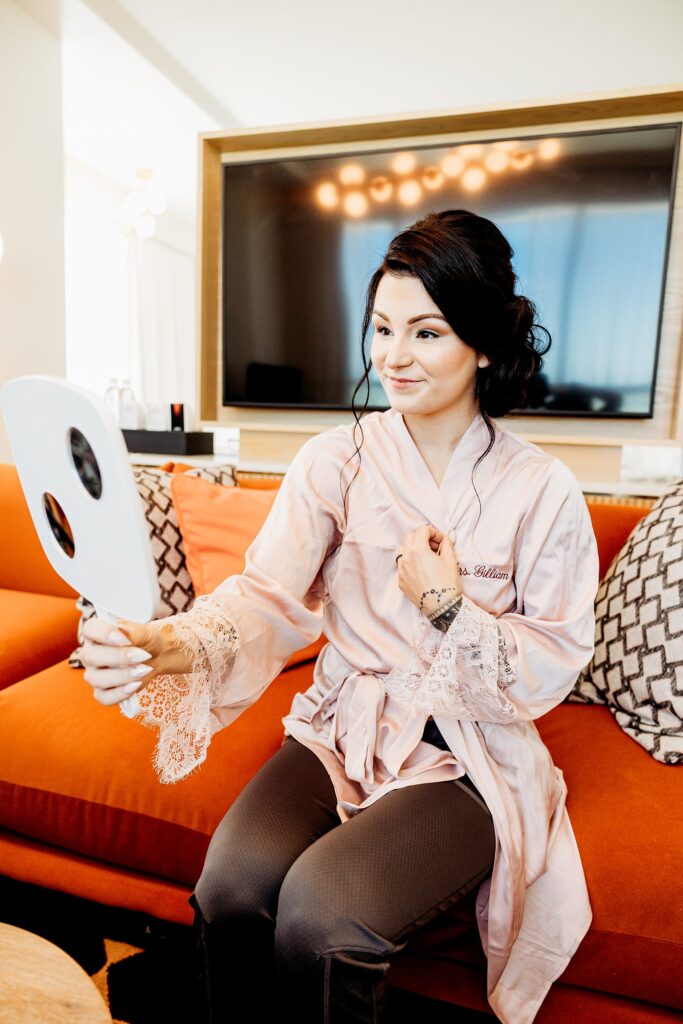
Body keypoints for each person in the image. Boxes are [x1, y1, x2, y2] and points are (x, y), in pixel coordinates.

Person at [80, 209, 600, 1024]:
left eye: (426, 333)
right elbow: (265, 598)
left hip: (462, 748)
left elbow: (553, 660)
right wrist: (166, 644)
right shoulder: (335, 460)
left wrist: (447, 606)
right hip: (341, 723)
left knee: (323, 916)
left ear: (484, 344)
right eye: (382, 328)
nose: (391, 356)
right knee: (230, 890)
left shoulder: (542, 489)